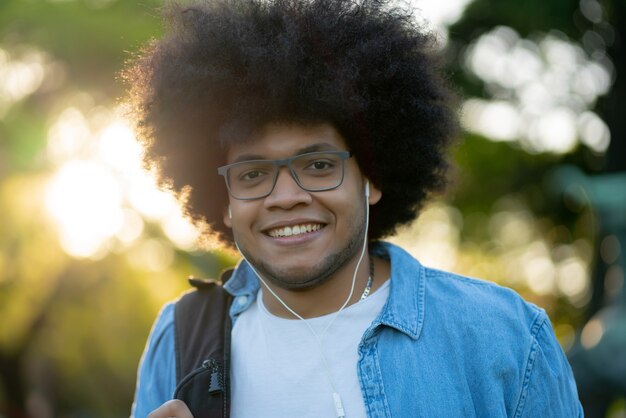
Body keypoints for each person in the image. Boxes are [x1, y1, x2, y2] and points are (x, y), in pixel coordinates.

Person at [126, 0, 583, 416]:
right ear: (223, 202)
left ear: (372, 178)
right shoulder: (179, 339)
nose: (285, 196)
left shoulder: (504, 336)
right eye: (252, 174)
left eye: (319, 164)